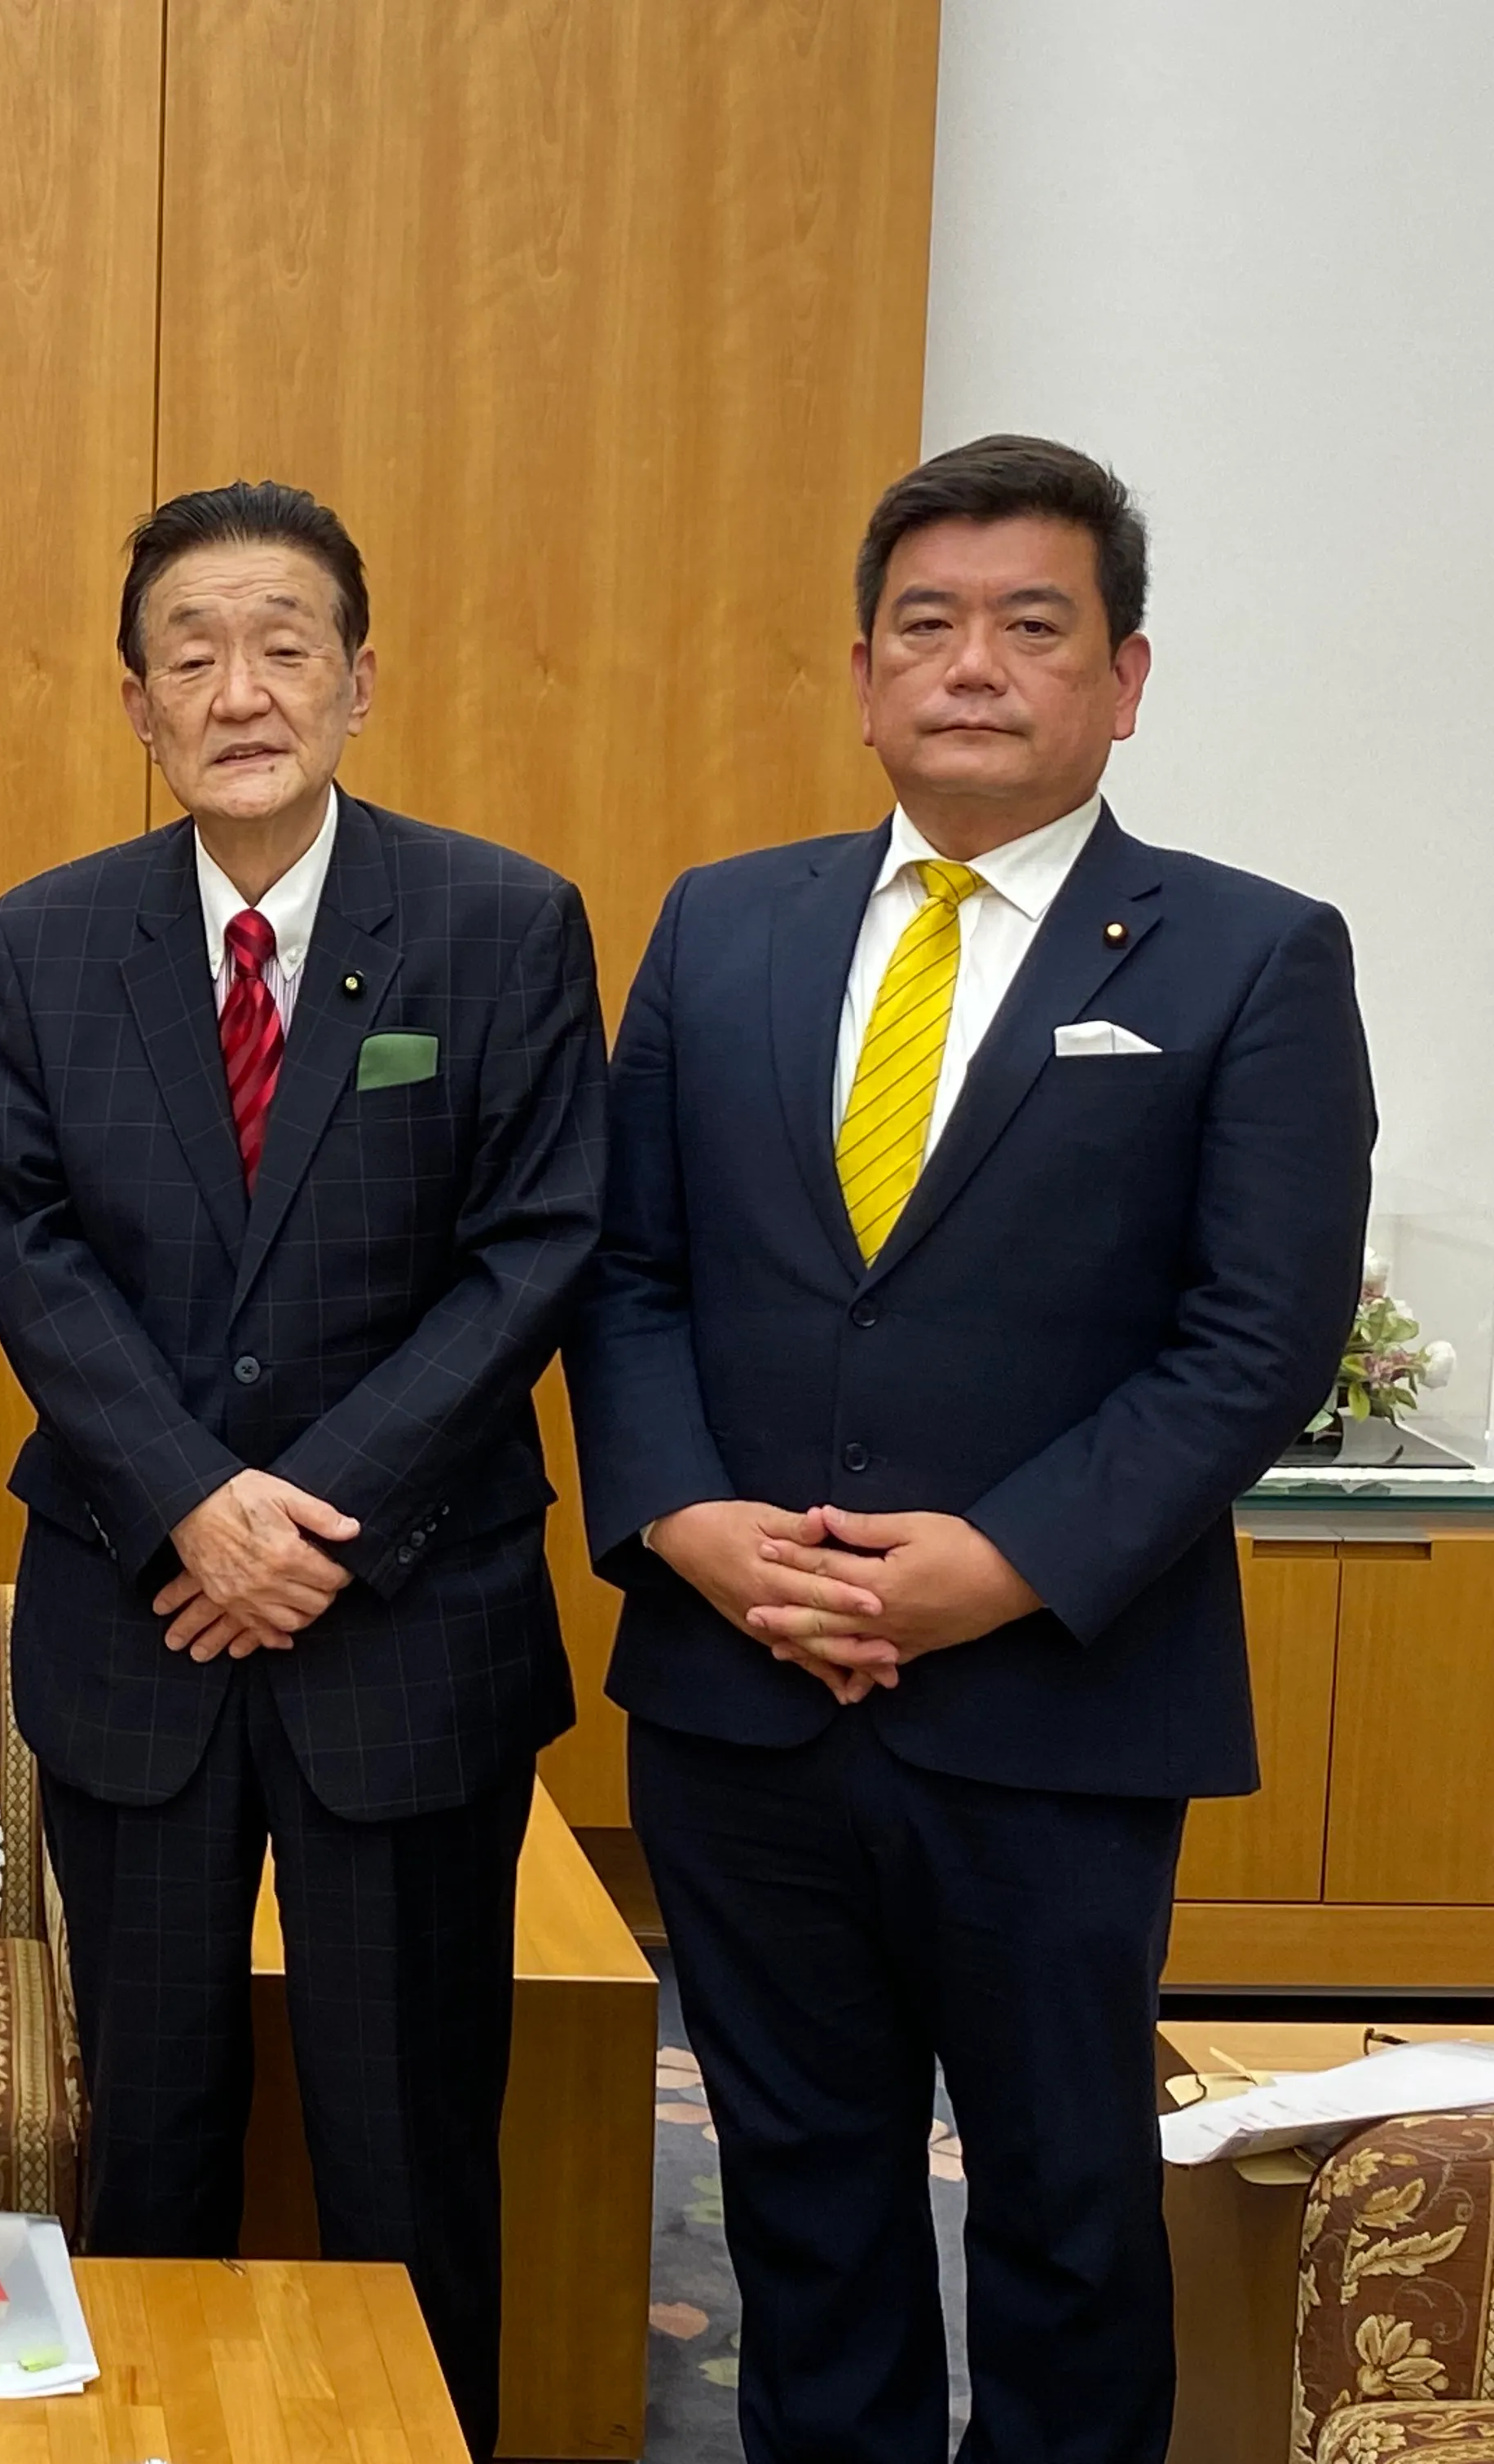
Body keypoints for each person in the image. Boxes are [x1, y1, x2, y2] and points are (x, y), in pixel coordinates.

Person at [569, 434, 1373, 2463]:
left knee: (1065, 2209)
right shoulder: (724, 928)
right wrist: (684, 1523)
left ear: (1126, 676)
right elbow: (626, 1270)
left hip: (1054, 1702)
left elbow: (1254, 1341)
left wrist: (992, 1567)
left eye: (1035, 626)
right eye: (928, 626)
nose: (975, 667)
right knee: (800, 2199)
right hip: (743, 1698)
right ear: (863, 673)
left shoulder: (1248, 956)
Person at [0, 479, 606, 2455]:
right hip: (141, 1620)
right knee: (145, 2139)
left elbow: (538, 1243)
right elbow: (19, 1233)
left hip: (404, 1620)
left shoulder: (498, 925)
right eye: (192, 653)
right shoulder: (48, 943)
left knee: (412, 2144)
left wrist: (305, 1516)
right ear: (135, 702)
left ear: (359, 676)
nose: (243, 688)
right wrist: (192, 1503)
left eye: (285, 642)